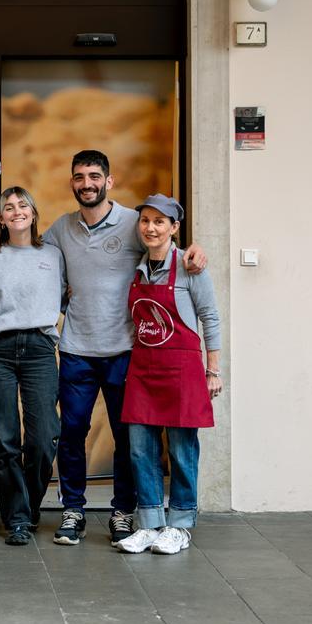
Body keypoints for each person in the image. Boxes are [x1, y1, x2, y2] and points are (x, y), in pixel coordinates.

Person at [43, 150, 205, 547]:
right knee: (72, 432)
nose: (87, 184)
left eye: (94, 176)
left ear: (109, 181)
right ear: (72, 183)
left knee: (126, 437)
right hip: (78, 348)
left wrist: (195, 248)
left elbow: (165, 239)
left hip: (125, 350)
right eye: (79, 177)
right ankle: (73, 510)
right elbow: (32, 258)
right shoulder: (61, 229)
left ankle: (122, 511)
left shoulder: (135, 222)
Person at [115, 194, 221, 555]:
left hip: (182, 370)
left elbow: (210, 318)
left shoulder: (191, 268)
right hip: (144, 368)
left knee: (181, 450)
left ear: (175, 228)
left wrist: (214, 371)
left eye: (160, 221)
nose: (151, 227)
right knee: (141, 450)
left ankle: (180, 526)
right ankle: (149, 524)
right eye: (145, 220)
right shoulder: (137, 268)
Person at [0, 187, 65, 546]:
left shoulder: (53, 254)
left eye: (22, 205)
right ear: (0, 218)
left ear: (33, 212)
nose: (16, 211)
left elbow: (66, 294)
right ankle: (16, 517)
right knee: (3, 438)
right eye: (8, 207)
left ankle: (28, 506)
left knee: (43, 436)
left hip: (40, 348)